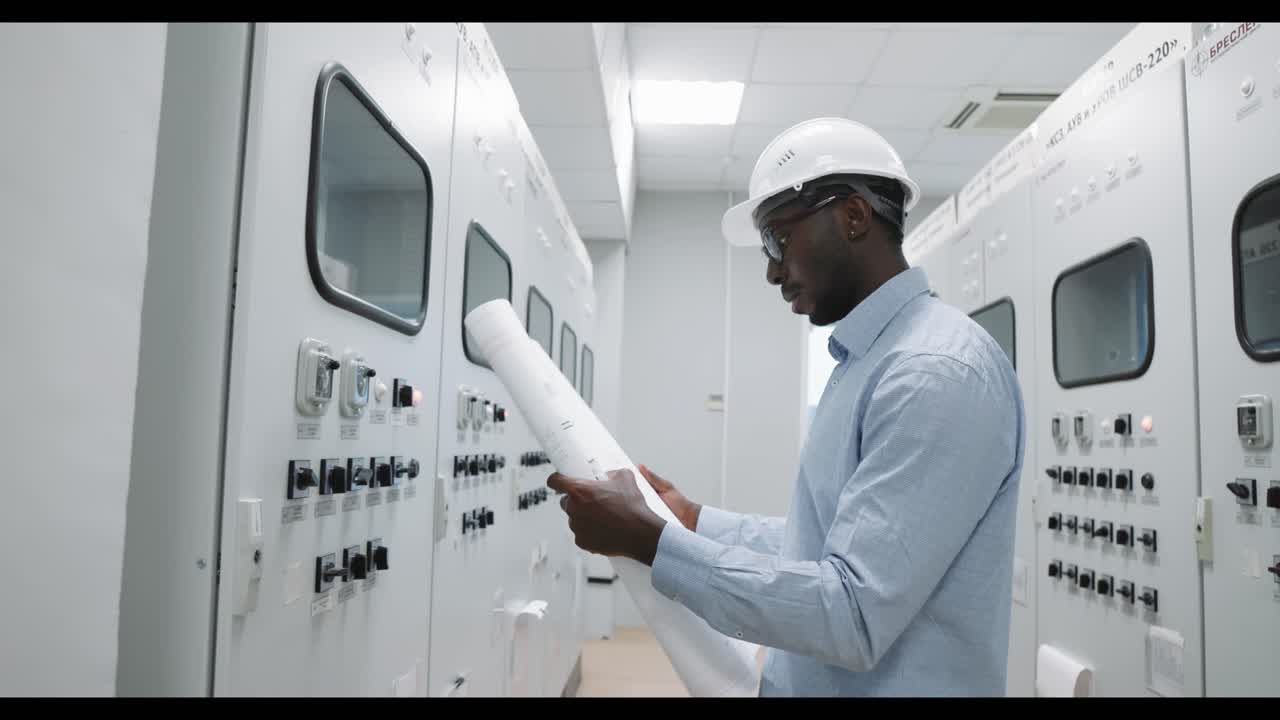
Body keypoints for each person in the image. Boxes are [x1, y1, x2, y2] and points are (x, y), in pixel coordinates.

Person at [547, 117, 1025, 697]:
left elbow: (850, 613)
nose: (772, 270)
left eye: (778, 239)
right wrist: (693, 519)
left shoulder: (932, 373)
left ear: (852, 216)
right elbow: (826, 545)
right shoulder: (869, 364)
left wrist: (654, 541)